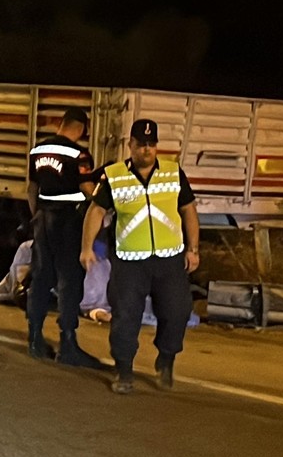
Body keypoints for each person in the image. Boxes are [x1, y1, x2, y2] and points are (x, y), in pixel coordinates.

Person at [81, 118, 200, 394]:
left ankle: (166, 359)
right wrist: (87, 248)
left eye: (151, 144)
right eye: (141, 144)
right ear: (131, 145)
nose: (147, 149)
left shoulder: (173, 173)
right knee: (125, 317)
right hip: (129, 262)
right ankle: (124, 371)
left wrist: (193, 249)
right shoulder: (114, 176)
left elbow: (189, 210)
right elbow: (96, 211)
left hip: (169, 260)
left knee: (177, 312)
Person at [24, 106, 104, 368]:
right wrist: (103, 197)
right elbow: (87, 189)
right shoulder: (79, 154)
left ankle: (35, 339)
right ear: (80, 129)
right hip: (68, 223)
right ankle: (67, 344)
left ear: (62, 123)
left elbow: (32, 188)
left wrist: (37, 217)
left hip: (42, 220)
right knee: (69, 281)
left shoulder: (38, 151)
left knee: (40, 278)